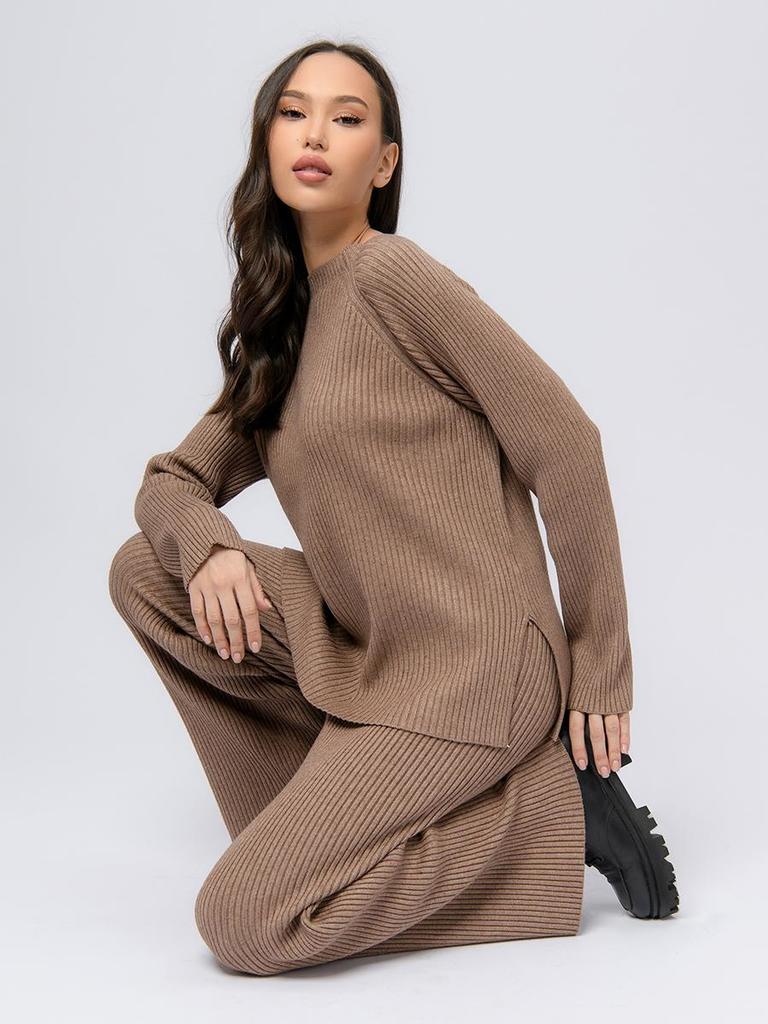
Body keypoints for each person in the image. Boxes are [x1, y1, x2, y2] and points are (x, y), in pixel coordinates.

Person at [108, 40, 678, 977]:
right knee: (147, 570)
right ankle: (326, 837)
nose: (315, 135)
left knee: (243, 922)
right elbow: (170, 482)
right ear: (265, 142)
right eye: (294, 113)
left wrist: (600, 668)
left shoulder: (394, 278)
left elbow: (567, 445)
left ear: (382, 164)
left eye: (347, 118)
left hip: (478, 664)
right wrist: (208, 545)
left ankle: (550, 813)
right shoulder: (278, 336)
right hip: (373, 658)